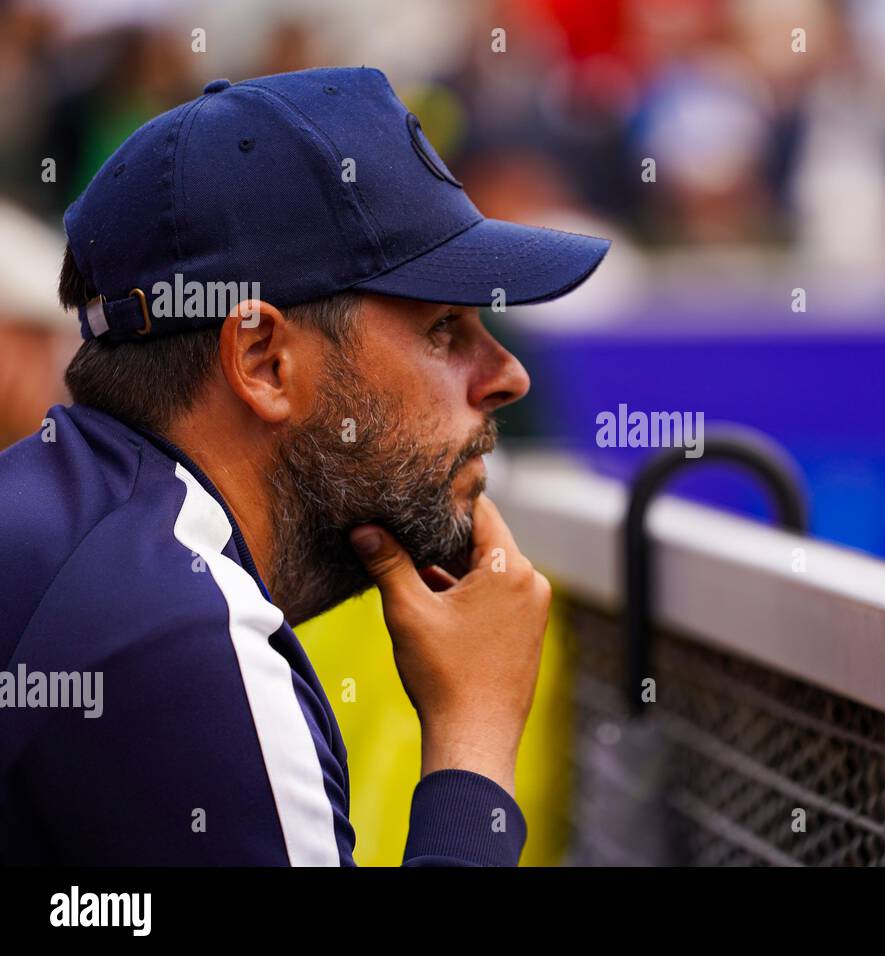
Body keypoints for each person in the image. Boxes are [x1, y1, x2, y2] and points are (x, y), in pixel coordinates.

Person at [0, 67, 610, 865]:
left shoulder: (71, 521)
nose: (507, 375)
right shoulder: (178, 631)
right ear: (264, 361)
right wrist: (476, 732)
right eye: (444, 327)